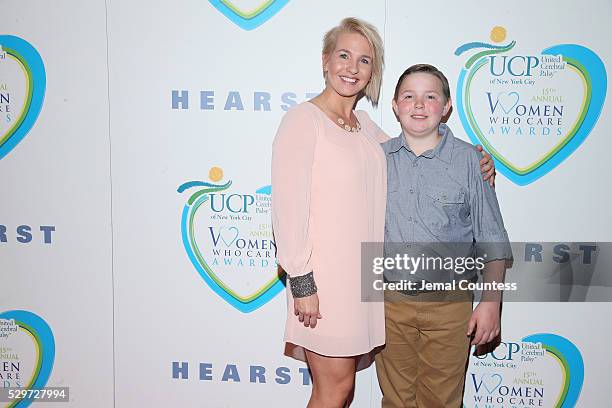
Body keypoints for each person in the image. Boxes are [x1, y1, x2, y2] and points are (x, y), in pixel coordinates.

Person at [272, 19, 495, 407]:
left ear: (372, 73)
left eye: (364, 60)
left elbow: (416, 147)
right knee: (334, 389)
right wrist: (303, 285)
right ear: (325, 60)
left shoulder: (363, 128)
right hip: (322, 284)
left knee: (345, 389)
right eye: (344, 55)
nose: (351, 68)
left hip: (365, 285)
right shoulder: (303, 120)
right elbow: (287, 210)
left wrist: (476, 160)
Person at [374, 64, 513, 408]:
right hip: (389, 303)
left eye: (430, 97)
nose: (419, 105)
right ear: (394, 105)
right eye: (409, 96)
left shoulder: (470, 161)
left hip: (451, 305)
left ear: (447, 106)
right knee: (395, 399)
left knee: (442, 400)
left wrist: (492, 302)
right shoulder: (376, 158)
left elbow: (491, 237)